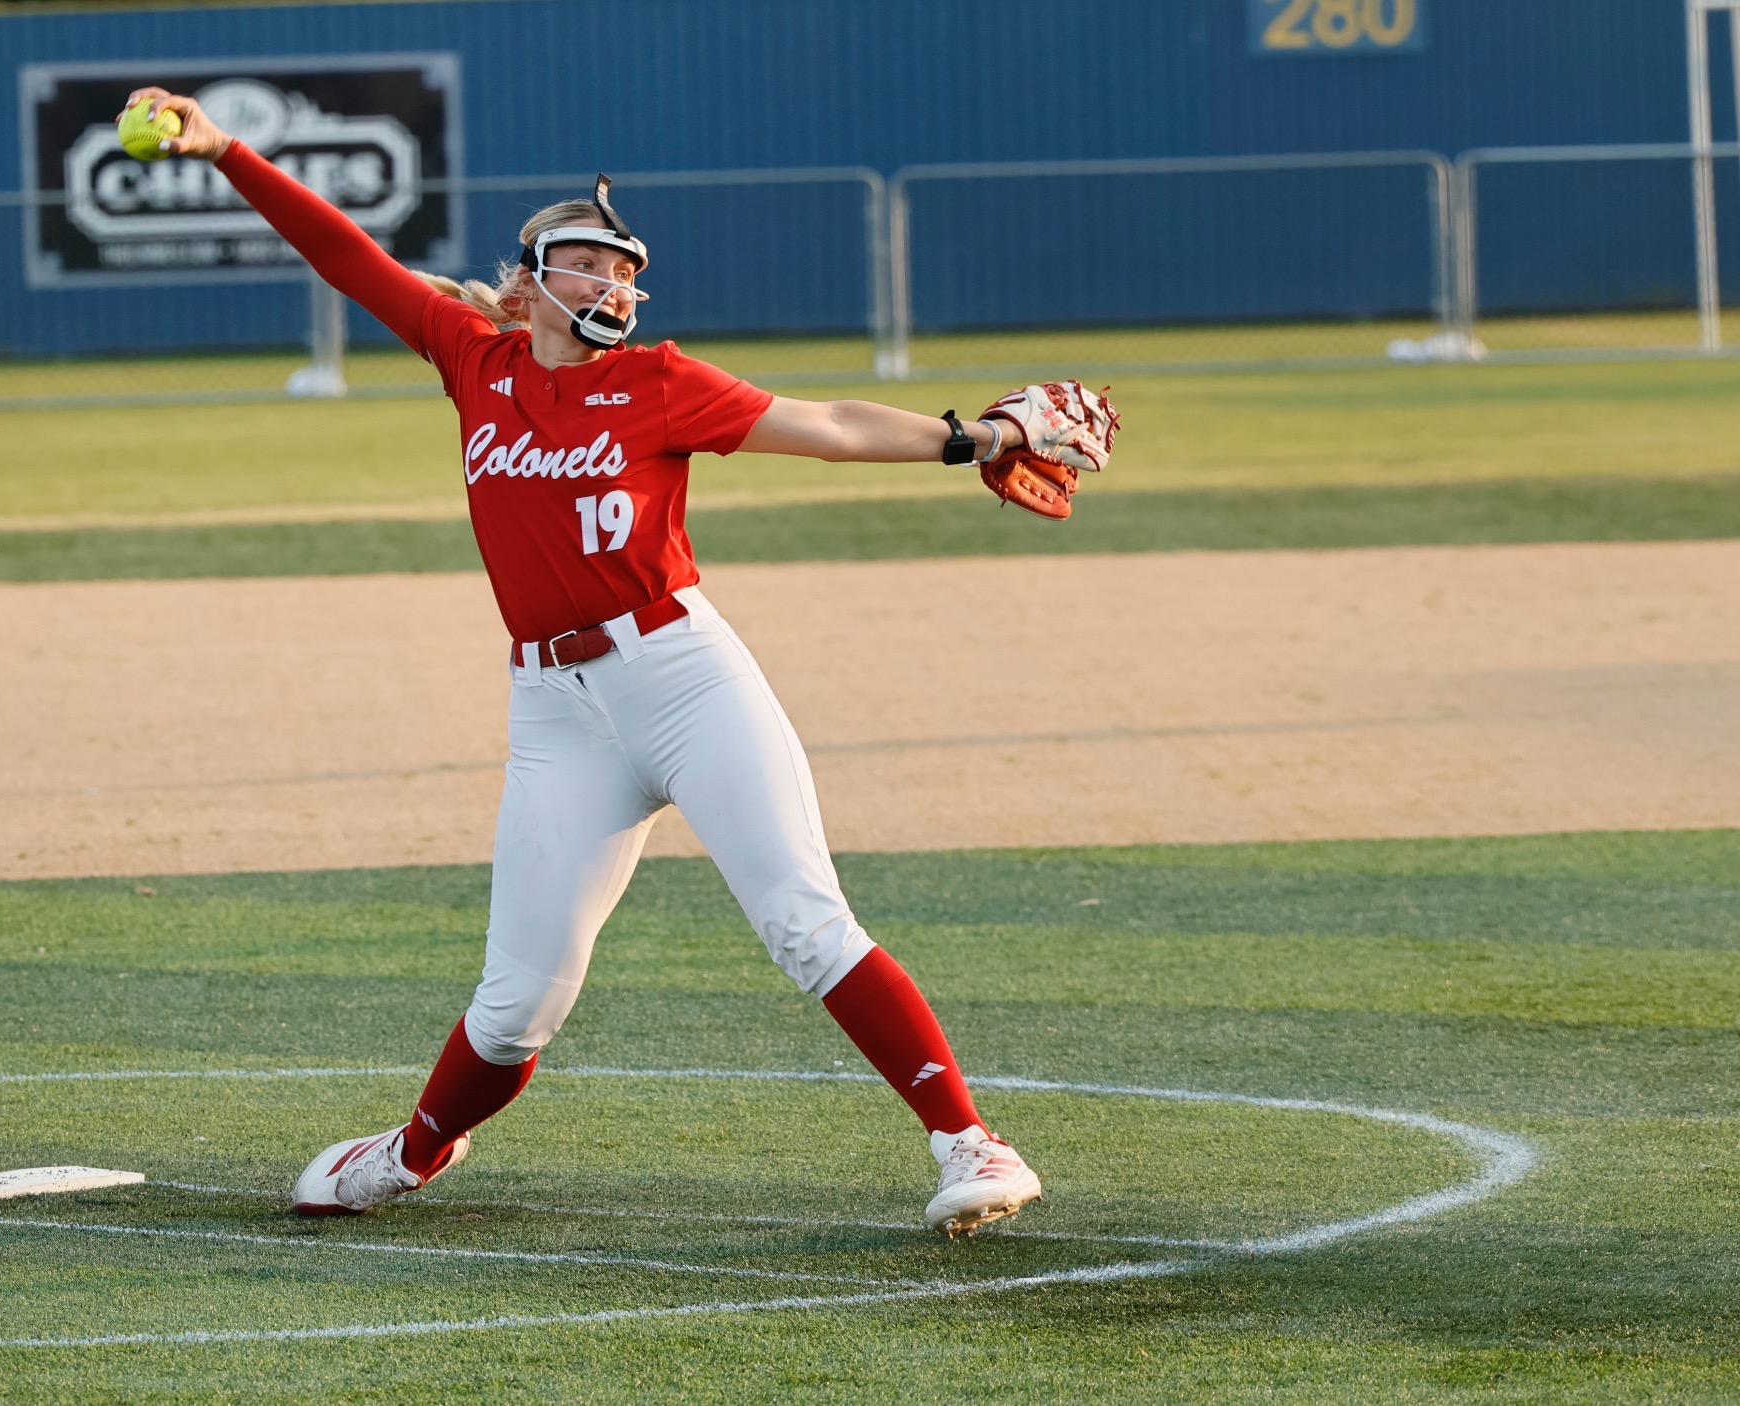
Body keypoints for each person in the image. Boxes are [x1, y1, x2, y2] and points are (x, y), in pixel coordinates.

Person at [125, 88, 1118, 1237]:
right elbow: (346, 256)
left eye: (624, 271)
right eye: (589, 265)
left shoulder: (658, 381)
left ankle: (970, 1141)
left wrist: (976, 435)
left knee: (803, 919)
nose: (613, 285)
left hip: (683, 676)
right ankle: (411, 1150)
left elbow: (832, 422)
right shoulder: (474, 357)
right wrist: (225, 150)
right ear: (534, 275)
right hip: (554, 705)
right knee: (514, 1006)